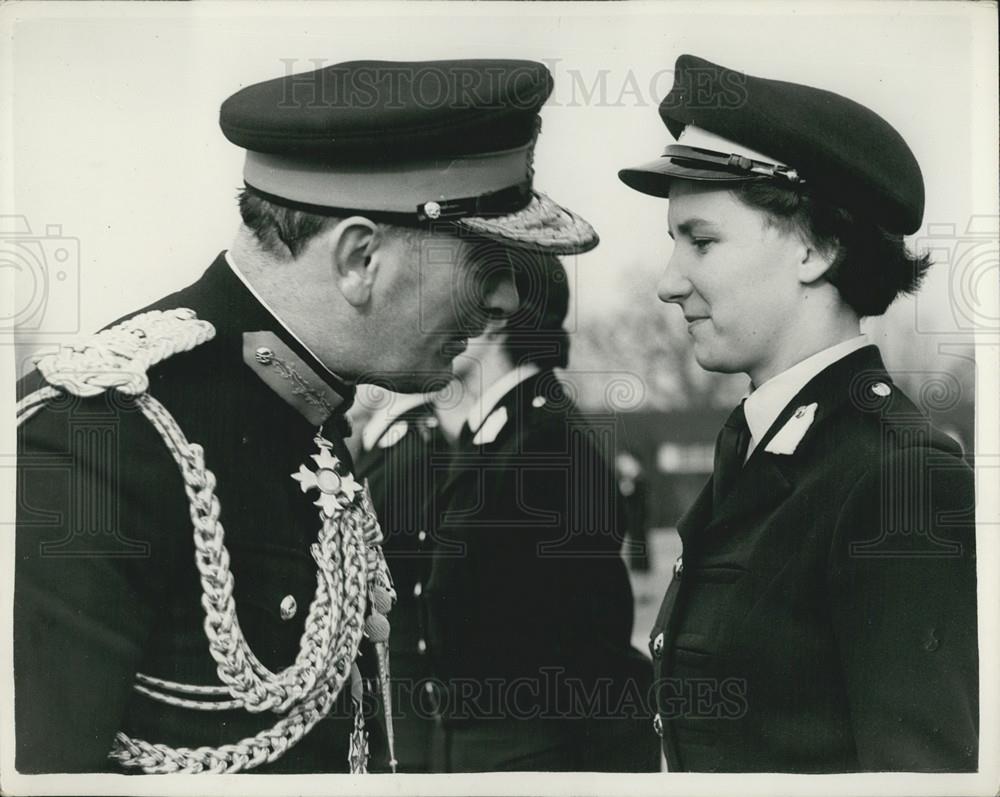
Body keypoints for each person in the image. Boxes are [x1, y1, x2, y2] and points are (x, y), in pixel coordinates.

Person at [13, 58, 598, 774]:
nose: (508, 300)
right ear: (359, 258)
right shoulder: (95, 434)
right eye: (485, 264)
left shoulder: (305, 410)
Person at [618, 54, 978, 772]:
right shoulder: (765, 445)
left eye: (702, 240)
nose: (668, 282)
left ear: (816, 247)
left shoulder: (898, 479)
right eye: (673, 243)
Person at [425, 251, 660, 772]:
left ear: (493, 316)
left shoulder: (545, 444)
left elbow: (594, 651)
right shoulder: (499, 433)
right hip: (483, 745)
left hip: (530, 754)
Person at [354, 389, 451, 772]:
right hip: (384, 661)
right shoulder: (390, 439)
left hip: (402, 663)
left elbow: (398, 568)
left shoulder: (416, 446)